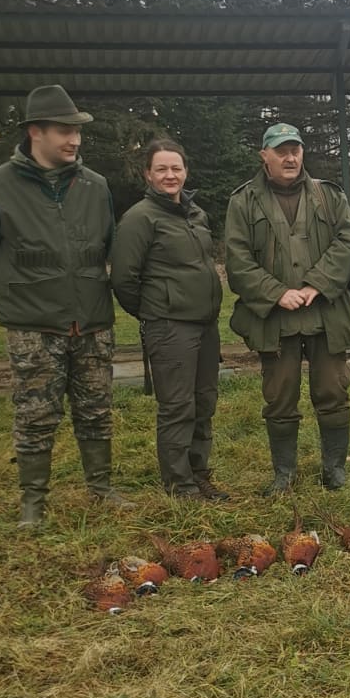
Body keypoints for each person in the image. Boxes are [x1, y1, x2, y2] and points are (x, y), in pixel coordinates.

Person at [0, 83, 130, 528]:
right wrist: (20, 293)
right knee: (35, 415)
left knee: (96, 410)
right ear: (35, 131)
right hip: (34, 328)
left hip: (92, 322)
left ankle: (102, 487)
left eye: (77, 131)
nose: (74, 139)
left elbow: (107, 243)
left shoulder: (96, 186)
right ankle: (33, 503)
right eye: (63, 130)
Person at [224, 123, 350, 493]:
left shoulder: (329, 196)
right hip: (276, 319)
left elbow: (349, 241)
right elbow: (237, 261)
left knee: (333, 392)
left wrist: (316, 283)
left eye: (295, 150)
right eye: (281, 151)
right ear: (264, 156)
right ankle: (283, 474)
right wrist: (275, 293)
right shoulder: (243, 202)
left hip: (326, 314)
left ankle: (334, 469)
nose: (290, 157)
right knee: (279, 397)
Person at [111, 139, 227, 499]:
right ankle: (179, 484)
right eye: (161, 169)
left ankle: (198, 472)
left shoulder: (196, 215)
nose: (170, 175)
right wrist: (156, 312)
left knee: (204, 401)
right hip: (169, 326)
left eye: (176, 168)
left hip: (205, 324)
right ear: (148, 174)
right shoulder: (139, 218)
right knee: (177, 406)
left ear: (185, 171)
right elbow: (123, 280)